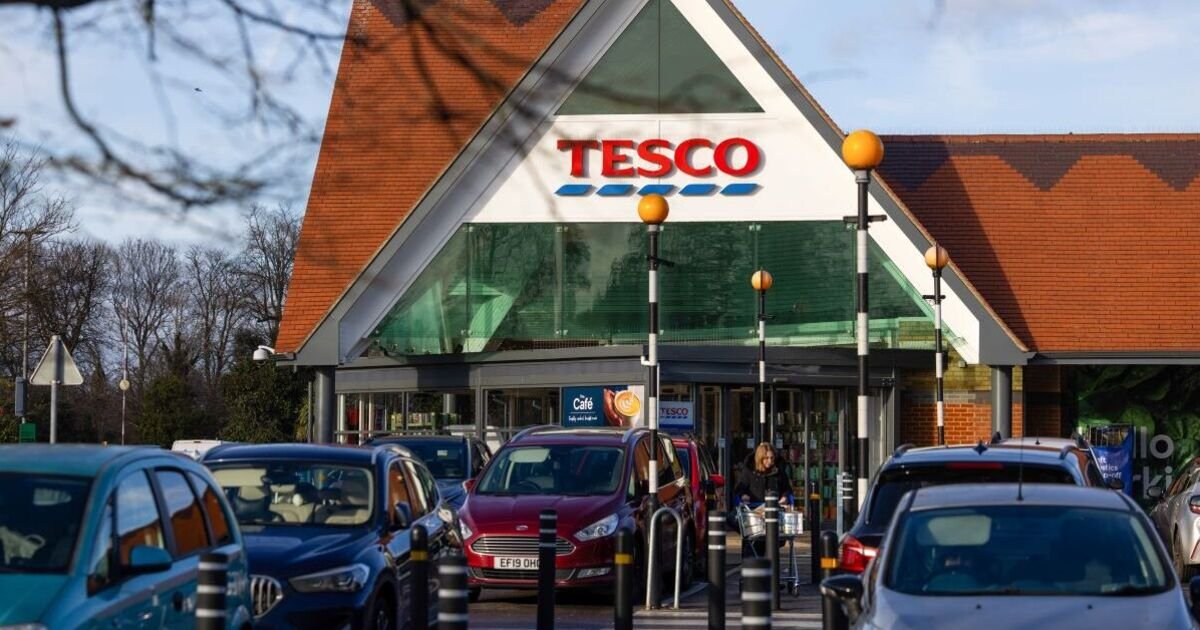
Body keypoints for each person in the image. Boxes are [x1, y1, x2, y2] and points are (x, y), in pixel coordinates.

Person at [736, 443, 793, 507]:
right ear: (760, 458)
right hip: (754, 508)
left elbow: (787, 489)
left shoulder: (779, 471)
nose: (770, 461)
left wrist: (785, 496)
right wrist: (743, 495)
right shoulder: (749, 471)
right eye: (766, 458)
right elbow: (740, 489)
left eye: (772, 458)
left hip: (774, 508)